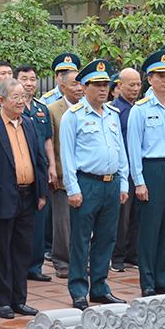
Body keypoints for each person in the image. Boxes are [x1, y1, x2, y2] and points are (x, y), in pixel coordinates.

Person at [0, 79, 48, 318]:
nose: (21, 101)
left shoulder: (29, 123)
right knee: (1, 251)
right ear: (2, 100)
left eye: (24, 97)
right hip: (1, 197)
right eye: (15, 97)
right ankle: (3, 301)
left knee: (22, 250)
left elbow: (39, 160)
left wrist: (42, 191)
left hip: (28, 196)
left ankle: (19, 299)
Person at [59, 60, 129, 310]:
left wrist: (124, 183)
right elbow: (66, 155)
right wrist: (73, 188)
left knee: (106, 238)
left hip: (111, 184)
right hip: (86, 184)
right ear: (84, 86)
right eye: (97, 85)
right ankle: (79, 289)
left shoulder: (113, 114)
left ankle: (99, 287)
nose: (103, 89)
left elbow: (120, 150)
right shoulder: (73, 116)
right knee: (80, 239)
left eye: (106, 85)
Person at [127, 51, 165, 297]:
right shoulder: (140, 109)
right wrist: (139, 182)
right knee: (150, 229)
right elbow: (133, 148)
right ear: (149, 79)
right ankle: (148, 281)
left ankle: (164, 277)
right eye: (161, 75)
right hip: (151, 169)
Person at [14, 65, 57, 282]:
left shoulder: (42, 109)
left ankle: (35, 266)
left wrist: (52, 167)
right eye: (24, 79)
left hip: (39, 171)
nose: (30, 83)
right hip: (17, 172)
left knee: (39, 219)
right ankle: (16, 265)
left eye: (33, 79)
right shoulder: (7, 108)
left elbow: (48, 139)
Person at [47, 68, 84, 279]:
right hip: (62, 173)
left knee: (82, 221)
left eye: (81, 84)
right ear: (62, 87)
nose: (79, 88)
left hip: (86, 173)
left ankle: (80, 259)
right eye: (74, 84)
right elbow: (50, 141)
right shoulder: (53, 109)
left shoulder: (89, 108)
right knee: (62, 221)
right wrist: (52, 168)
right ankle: (61, 260)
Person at [110, 68, 142, 273]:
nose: (136, 89)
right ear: (119, 85)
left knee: (138, 215)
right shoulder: (114, 110)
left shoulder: (141, 108)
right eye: (132, 84)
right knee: (122, 215)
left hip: (139, 167)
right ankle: (117, 256)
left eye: (139, 84)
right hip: (123, 169)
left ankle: (133, 253)